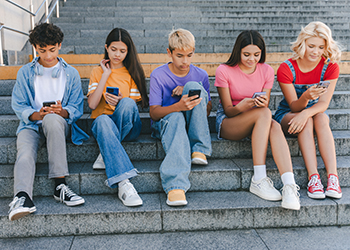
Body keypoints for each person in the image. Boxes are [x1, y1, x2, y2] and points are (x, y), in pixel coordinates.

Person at [9, 23, 88, 221]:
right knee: (25, 152)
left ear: (59, 45)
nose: (48, 56)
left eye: (52, 50)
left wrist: (62, 112)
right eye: (42, 50)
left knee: (53, 119)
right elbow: (18, 104)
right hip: (31, 124)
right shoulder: (25, 72)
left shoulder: (71, 74)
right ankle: (22, 197)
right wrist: (37, 115)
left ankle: (60, 185)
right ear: (35, 48)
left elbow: (78, 107)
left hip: (58, 124)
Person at [215, 30, 300, 210]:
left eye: (256, 54)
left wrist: (259, 103)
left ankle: (289, 185)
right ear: (238, 51)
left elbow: (264, 104)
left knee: (274, 125)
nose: (251, 59)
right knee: (265, 114)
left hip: (258, 119)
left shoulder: (267, 70)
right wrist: (242, 106)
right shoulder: (224, 70)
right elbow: (228, 111)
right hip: (229, 122)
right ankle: (259, 178)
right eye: (246, 54)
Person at [274, 21, 342, 199]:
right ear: (302, 43)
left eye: (321, 47)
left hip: (312, 113)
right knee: (309, 119)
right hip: (288, 115)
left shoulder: (330, 67)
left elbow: (324, 103)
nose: (315, 51)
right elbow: (294, 106)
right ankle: (314, 178)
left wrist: (306, 112)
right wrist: (305, 98)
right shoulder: (286, 68)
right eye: (311, 46)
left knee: (320, 118)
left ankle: (333, 178)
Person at [149, 28, 212, 206]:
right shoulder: (158, 75)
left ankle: (199, 148)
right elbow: (153, 113)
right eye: (179, 56)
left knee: (194, 86)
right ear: (169, 53)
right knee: (176, 117)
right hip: (166, 124)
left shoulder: (201, 75)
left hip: (192, 123)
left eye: (189, 55)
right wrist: (178, 105)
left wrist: (188, 90)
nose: (185, 61)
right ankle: (175, 185)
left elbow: (207, 110)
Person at [87, 28, 148, 207]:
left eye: (122, 51)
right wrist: (106, 75)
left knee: (128, 103)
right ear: (106, 48)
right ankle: (124, 184)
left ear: (128, 52)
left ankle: (106, 151)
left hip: (128, 127)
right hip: (103, 126)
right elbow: (91, 105)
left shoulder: (132, 73)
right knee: (103, 120)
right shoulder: (97, 72)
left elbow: (132, 109)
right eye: (113, 49)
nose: (117, 54)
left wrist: (120, 101)